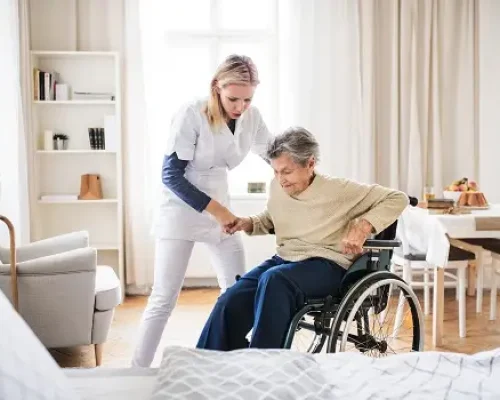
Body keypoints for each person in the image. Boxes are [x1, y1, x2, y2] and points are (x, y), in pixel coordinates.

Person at [196, 127, 409, 351]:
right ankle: (209, 362)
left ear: (310, 164)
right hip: (286, 261)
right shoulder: (278, 187)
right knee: (231, 299)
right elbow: (272, 218)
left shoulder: (338, 190)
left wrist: (364, 225)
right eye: (276, 172)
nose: (281, 179)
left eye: (286, 172)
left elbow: (398, 198)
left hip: (328, 265)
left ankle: (262, 365)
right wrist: (246, 222)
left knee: (274, 281)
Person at [132, 55, 273, 367]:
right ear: (216, 88)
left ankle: (230, 364)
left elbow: (275, 155)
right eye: (233, 98)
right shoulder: (191, 113)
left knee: (236, 293)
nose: (240, 106)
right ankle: (137, 369)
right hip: (181, 210)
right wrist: (219, 211)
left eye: (247, 99)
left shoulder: (252, 117)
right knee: (163, 298)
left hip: (221, 209)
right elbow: (171, 176)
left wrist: (305, 172)